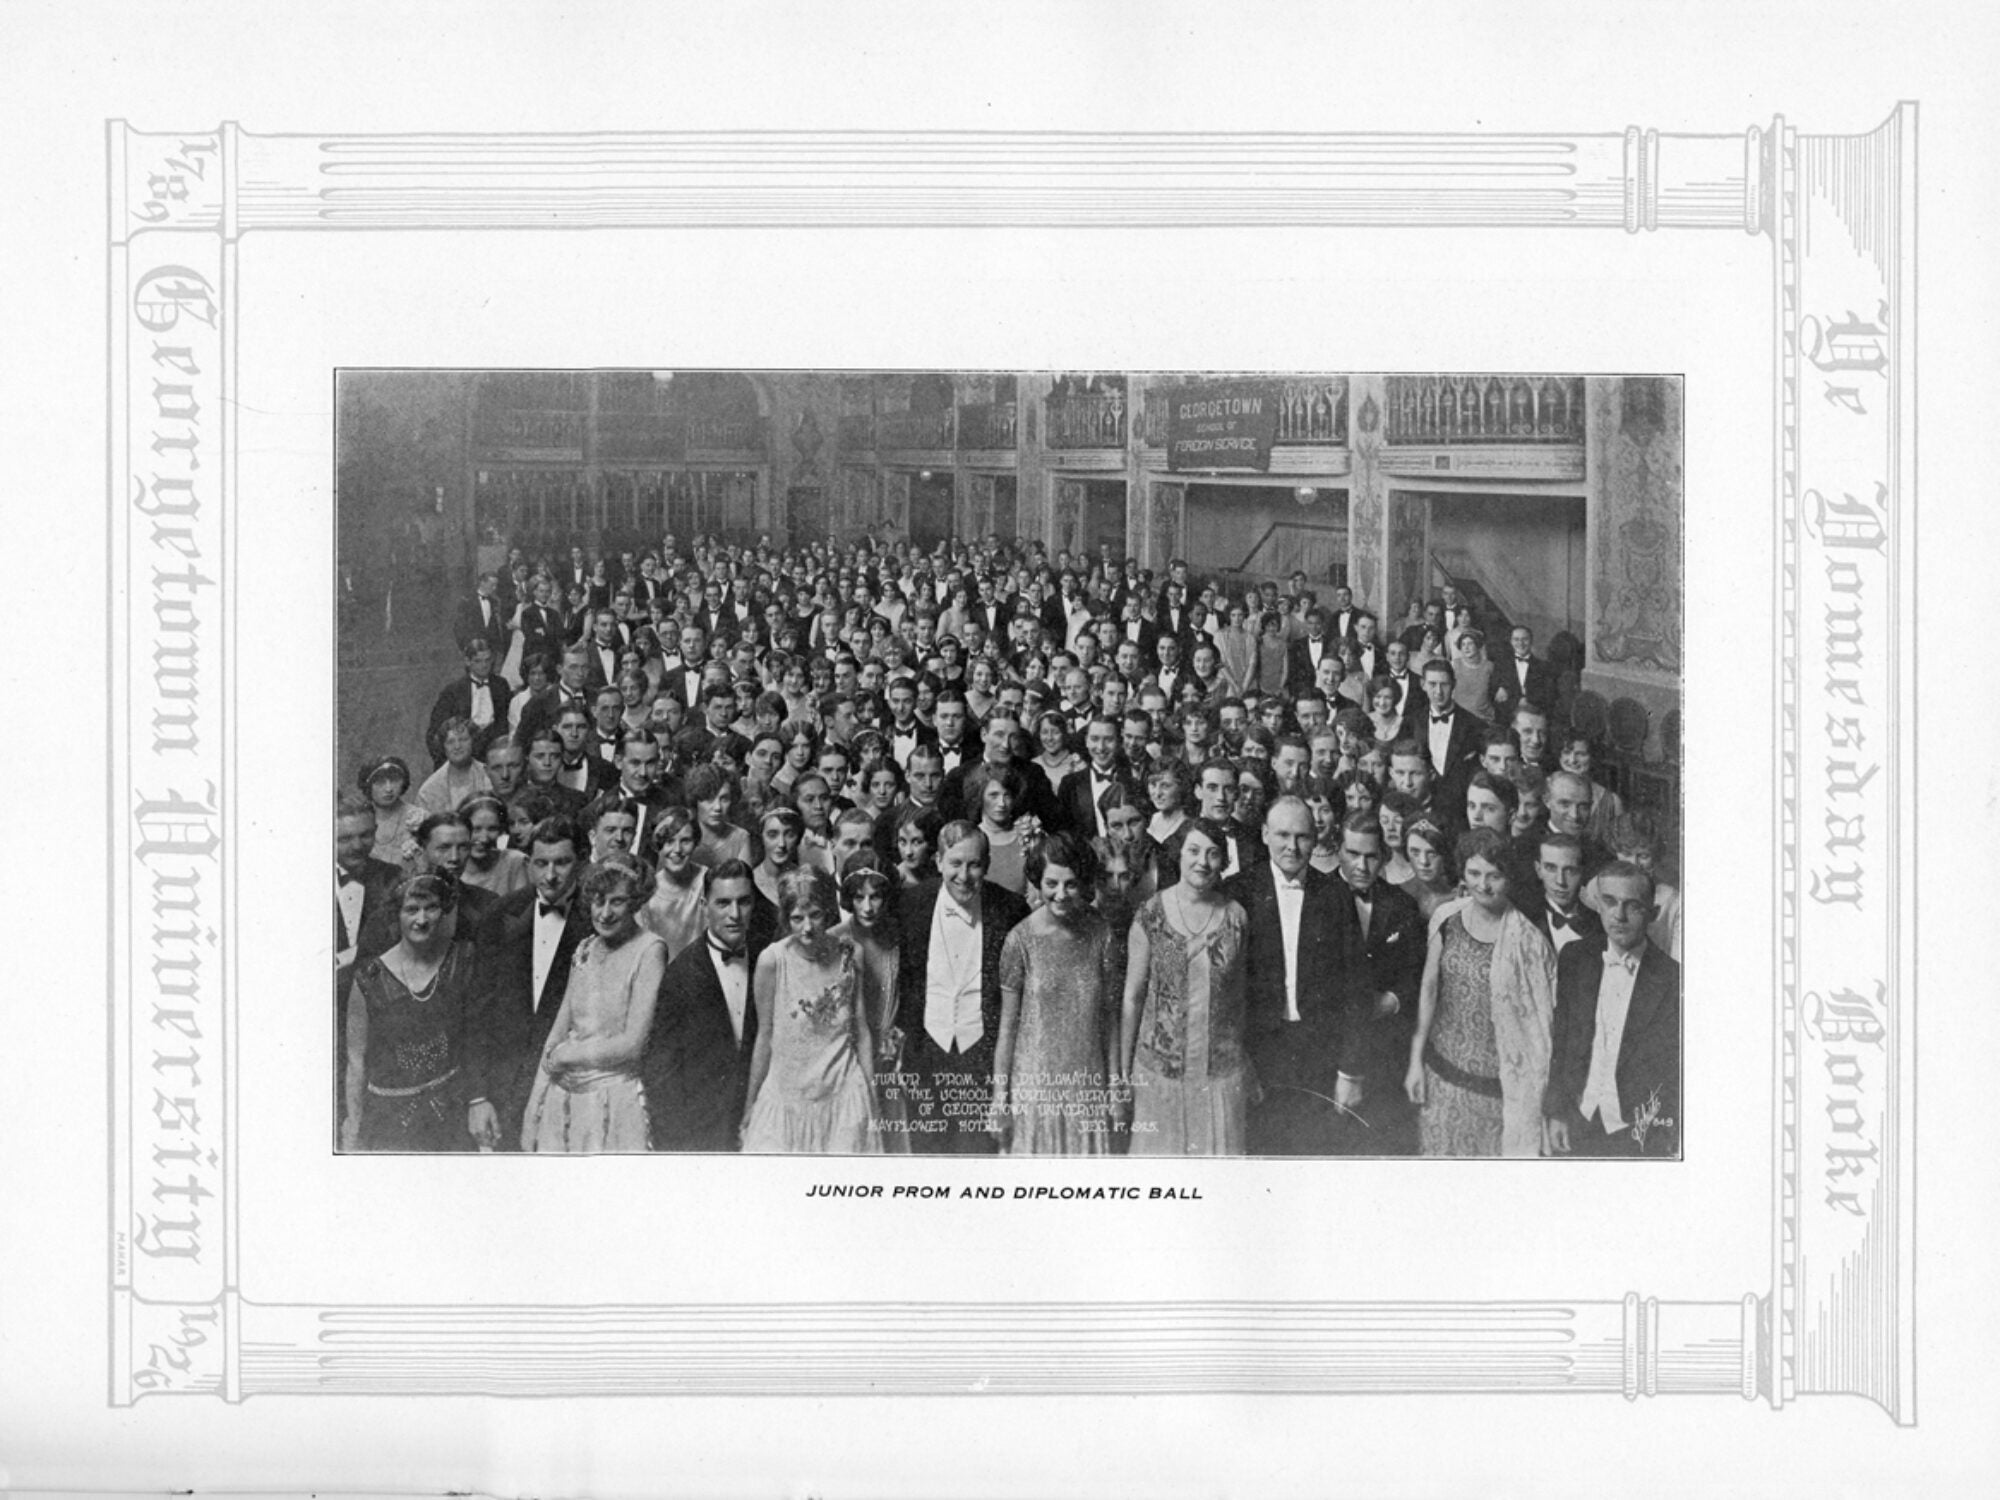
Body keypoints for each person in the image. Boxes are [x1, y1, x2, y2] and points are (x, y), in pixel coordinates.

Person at [1404, 827, 1555, 1157]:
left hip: (1496, 1092)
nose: (1482, 885)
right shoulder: (1446, 917)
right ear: (1461, 871)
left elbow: (1540, 1028)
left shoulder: (1529, 941)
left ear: (1509, 877)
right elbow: (1429, 989)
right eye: (1473, 873)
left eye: (1494, 876)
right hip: (1440, 1078)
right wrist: (1416, 1061)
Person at [1229, 798, 1367, 1156]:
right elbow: (1227, 990)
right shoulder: (1238, 892)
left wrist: (1350, 1070)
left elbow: (1355, 986)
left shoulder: (1336, 894)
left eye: (1303, 836)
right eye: (1283, 835)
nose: (1292, 847)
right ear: (1264, 834)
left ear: (1316, 836)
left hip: (1319, 1052)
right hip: (1258, 1053)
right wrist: (1237, 1062)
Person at [1116, 818, 1252, 1155]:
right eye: (1193, 851)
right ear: (1178, 854)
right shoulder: (1150, 914)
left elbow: (1238, 996)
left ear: (1223, 862)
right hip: (1160, 1075)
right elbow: (1132, 998)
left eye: (1213, 854)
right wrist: (1122, 1071)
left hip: (1219, 1075)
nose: (1202, 862)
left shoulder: (1236, 917)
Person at [894, 822, 1030, 1155]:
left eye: (974, 864)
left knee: (977, 1161)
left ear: (987, 865)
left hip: (981, 1057)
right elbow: (905, 982)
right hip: (926, 1055)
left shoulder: (1011, 909)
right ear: (939, 861)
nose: (964, 875)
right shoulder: (911, 905)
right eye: (955, 863)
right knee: (928, 1160)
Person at [462, 815, 595, 1150]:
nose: (550, 876)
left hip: (571, 1088)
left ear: (581, 861)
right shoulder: (501, 914)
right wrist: (477, 1097)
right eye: (541, 863)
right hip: (503, 1091)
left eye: (562, 863)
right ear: (529, 863)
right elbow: (477, 1011)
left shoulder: (597, 921)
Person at [519, 853, 667, 1152]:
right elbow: (557, 1032)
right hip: (562, 1098)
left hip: (615, 1098)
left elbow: (632, 1044)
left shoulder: (650, 949)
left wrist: (566, 1057)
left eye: (617, 901)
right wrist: (531, 1113)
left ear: (636, 903)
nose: (605, 913)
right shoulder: (585, 948)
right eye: (599, 901)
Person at [1543, 861, 1681, 1157]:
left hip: (1637, 1132)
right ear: (1598, 906)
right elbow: (1562, 1040)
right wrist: (1557, 1111)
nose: (1618, 915)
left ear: (1652, 913)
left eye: (1632, 906)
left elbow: (1673, 1073)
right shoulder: (1575, 957)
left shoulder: (1673, 979)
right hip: (1579, 1119)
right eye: (1610, 902)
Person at [740, 866, 881, 1154]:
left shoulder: (851, 953)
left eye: (815, 915)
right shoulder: (772, 961)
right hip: (787, 1100)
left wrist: (872, 1097)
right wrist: (750, 1105)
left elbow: (862, 1030)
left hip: (843, 1096)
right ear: (785, 918)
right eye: (797, 918)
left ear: (828, 912)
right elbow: (765, 1036)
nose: (807, 927)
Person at [341, 872, 477, 1151]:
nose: (422, 919)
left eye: (432, 908)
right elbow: (356, 1061)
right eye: (411, 909)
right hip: (388, 1120)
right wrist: (353, 1125)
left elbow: (478, 1036)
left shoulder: (463, 959)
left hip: (452, 1114)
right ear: (396, 914)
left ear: (445, 910)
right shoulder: (369, 978)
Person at [643, 859, 766, 1152]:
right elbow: (662, 1073)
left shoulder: (768, 959)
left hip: (761, 1121)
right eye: (723, 903)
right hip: (701, 1131)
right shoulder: (680, 974)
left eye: (743, 902)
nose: (735, 914)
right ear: (703, 905)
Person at [1331, 814, 1425, 1155]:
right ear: (1338, 850)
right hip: (1330, 1048)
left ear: (1384, 856)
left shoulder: (1402, 905)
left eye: (1371, 856)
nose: (1362, 865)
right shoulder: (1316, 896)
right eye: (1353, 854)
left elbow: (1417, 975)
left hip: (1385, 1050)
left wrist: (1392, 1001)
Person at [831, 850, 909, 1153]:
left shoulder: (897, 937)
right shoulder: (834, 939)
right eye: (859, 897)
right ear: (848, 898)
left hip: (892, 1060)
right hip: (848, 1061)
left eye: (875, 897)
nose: (867, 907)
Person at [426, 636, 513, 766]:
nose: (484, 666)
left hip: (494, 750)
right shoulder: (453, 691)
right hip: (466, 751)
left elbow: (506, 721)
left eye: (487, 660)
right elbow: (436, 730)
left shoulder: (501, 685)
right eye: (478, 661)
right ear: (467, 661)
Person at [638, 807, 708, 959]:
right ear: (657, 845)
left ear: (695, 842)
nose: (677, 849)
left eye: (685, 841)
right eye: (669, 841)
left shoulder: (708, 881)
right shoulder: (647, 891)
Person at [358, 755, 426, 870]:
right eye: (380, 782)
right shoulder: (360, 819)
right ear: (368, 786)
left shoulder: (418, 818)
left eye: (394, 780)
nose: (388, 788)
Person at [459, 794, 531, 899]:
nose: (484, 838)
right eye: (476, 829)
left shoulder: (514, 863)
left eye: (492, 829)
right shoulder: (453, 869)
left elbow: (522, 911)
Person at [416, 717, 493, 815]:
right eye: (450, 742)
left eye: (463, 739)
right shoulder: (428, 790)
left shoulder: (490, 775)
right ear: (443, 746)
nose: (457, 746)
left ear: (473, 741)